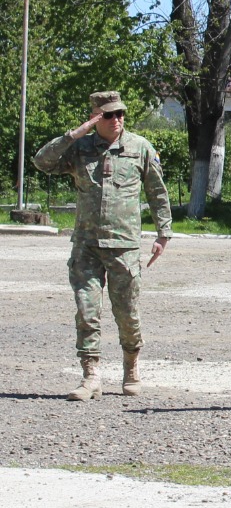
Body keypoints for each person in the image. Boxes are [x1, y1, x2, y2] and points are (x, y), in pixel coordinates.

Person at [33, 90, 173, 400]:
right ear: (96, 117)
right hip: (87, 245)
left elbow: (157, 193)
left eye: (120, 113)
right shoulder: (79, 149)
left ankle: (131, 368)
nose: (117, 119)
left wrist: (163, 234)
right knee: (87, 311)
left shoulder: (140, 148)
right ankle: (91, 375)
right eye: (108, 115)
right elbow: (42, 162)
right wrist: (74, 134)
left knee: (127, 313)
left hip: (124, 246)